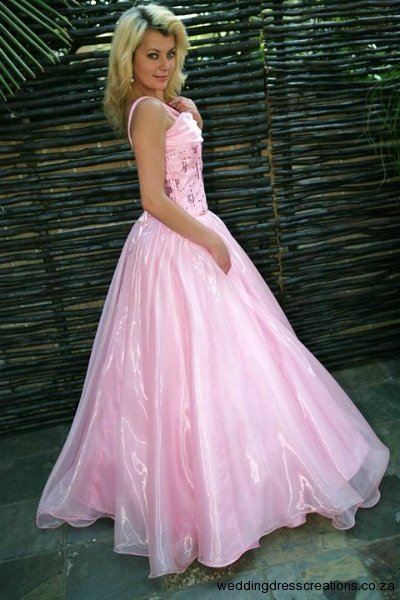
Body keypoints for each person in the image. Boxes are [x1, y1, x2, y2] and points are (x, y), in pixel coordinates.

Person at [36, 3, 390, 579]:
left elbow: (182, 169)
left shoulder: (163, 106)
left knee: (235, 359)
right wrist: (210, 241)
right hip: (180, 243)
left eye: (170, 53)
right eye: (152, 55)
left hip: (194, 231)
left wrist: (192, 115)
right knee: (188, 367)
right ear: (128, 59)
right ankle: (202, 497)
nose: (163, 64)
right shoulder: (147, 112)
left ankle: (241, 477)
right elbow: (154, 199)